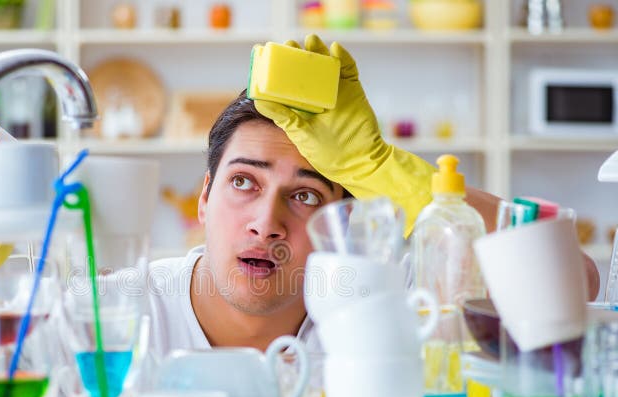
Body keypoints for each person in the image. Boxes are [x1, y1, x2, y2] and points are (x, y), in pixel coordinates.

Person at [146, 34, 600, 360]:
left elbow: (575, 284)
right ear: (204, 197)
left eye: (304, 194)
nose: (266, 224)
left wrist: (377, 168)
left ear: (342, 222)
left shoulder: (388, 296)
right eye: (244, 182)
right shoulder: (120, 313)